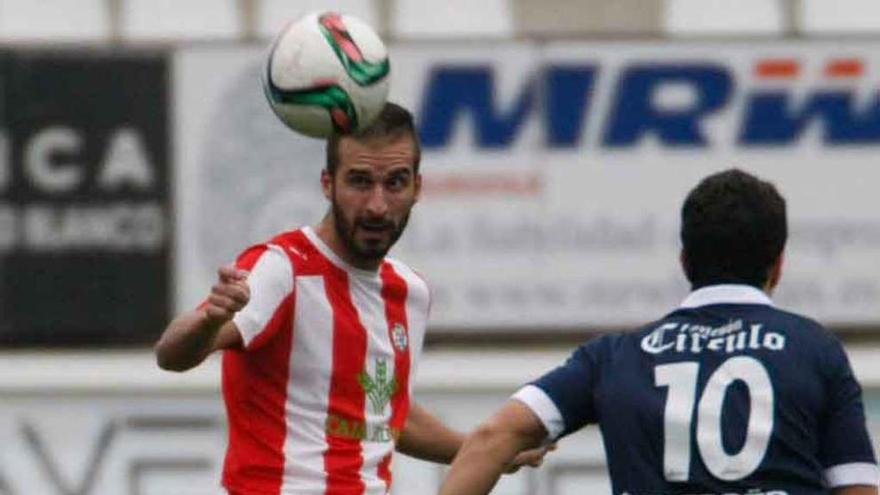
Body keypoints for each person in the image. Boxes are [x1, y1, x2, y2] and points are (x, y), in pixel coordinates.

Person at [155, 103, 546, 495]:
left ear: (417, 188)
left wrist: (485, 451)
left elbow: (386, 417)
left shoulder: (410, 292)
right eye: (360, 182)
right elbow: (172, 354)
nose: (377, 205)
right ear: (328, 183)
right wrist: (208, 321)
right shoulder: (283, 269)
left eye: (394, 183)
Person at [439, 169, 879, 495]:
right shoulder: (816, 351)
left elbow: (492, 438)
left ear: (685, 260)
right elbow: (857, 487)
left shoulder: (613, 358)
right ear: (778, 264)